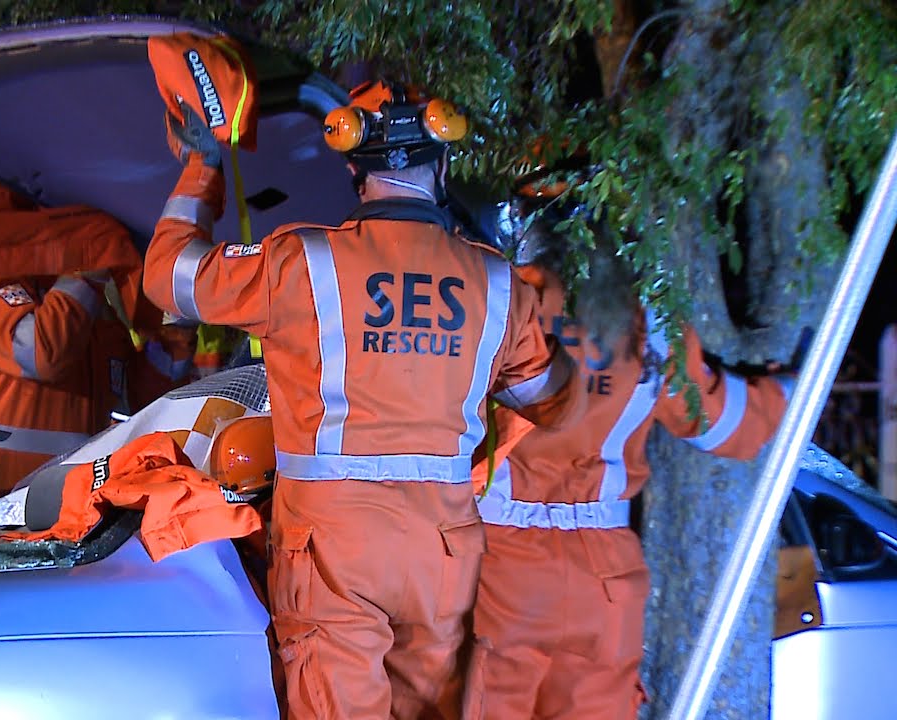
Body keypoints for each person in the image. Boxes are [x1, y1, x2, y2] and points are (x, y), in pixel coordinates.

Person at [142, 79, 585, 719]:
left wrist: (202, 162)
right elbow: (548, 400)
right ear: (443, 161)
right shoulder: (497, 280)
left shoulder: (300, 262)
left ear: (354, 164)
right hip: (442, 552)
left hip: (333, 550)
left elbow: (170, 277)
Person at [471, 178, 797, 720]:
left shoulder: (500, 300)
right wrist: (789, 391)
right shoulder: (648, 318)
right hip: (605, 578)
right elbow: (719, 424)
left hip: (501, 570)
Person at [0, 273, 139, 517]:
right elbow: (38, 352)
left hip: (77, 489)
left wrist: (175, 335)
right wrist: (84, 276)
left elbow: (137, 400)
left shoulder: (83, 299)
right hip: (0, 488)